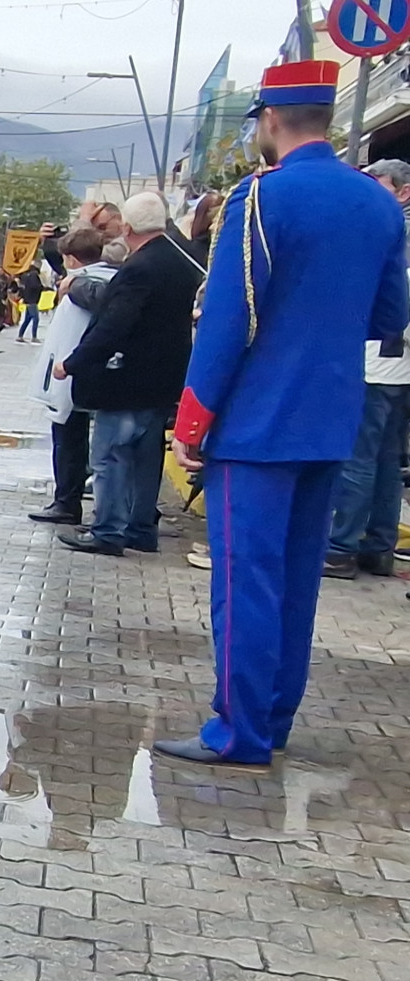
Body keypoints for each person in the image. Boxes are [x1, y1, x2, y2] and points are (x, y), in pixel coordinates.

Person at [159, 59, 409, 767]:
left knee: (245, 581)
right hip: (332, 419)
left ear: (269, 119)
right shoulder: (377, 201)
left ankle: (238, 731)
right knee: (296, 581)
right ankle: (273, 717)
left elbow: (227, 322)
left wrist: (192, 423)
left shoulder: (261, 197)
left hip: (257, 422)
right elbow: (390, 315)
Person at [50, 193, 201, 557]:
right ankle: (140, 527)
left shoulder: (138, 268)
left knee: (111, 456)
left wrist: (73, 363)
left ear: (127, 228)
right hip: (164, 379)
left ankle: (108, 529)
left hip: (125, 378)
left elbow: (114, 324)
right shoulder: (181, 264)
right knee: (146, 459)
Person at [323, 160, 410, 580]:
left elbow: (394, 306)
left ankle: (341, 547)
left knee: (359, 459)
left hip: (379, 364)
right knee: (386, 461)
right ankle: (378, 547)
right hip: (397, 369)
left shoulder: (395, 232)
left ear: (402, 192)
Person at [28, 227, 113, 527]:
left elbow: (98, 298)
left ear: (72, 260)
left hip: (74, 375)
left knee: (69, 442)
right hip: (79, 372)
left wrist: (74, 286)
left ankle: (67, 500)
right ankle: (66, 497)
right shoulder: (94, 276)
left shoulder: (88, 283)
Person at [15, 263, 45, 343]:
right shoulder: (34, 275)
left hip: (28, 300)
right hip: (32, 300)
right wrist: (42, 288)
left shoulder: (26, 276)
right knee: (36, 318)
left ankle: (20, 336)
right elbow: (35, 286)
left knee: (27, 319)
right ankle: (34, 337)